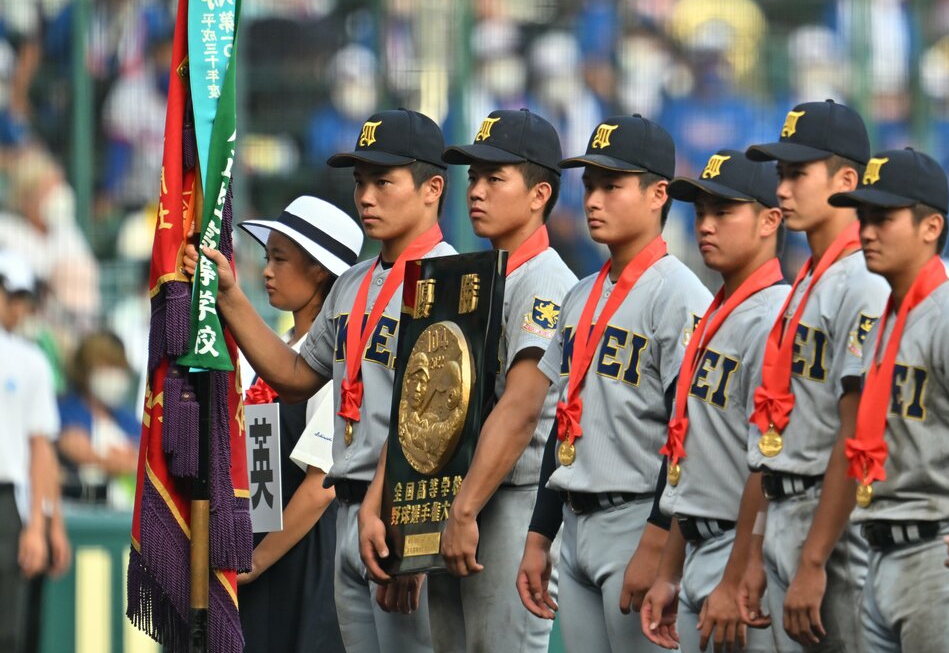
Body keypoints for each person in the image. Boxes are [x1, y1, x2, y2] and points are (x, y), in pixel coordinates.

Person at [197, 108, 453, 653]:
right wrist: (231, 298)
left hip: (402, 513)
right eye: (360, 181)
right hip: (347, 514)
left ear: (433, 188)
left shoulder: (450, 277)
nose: (366, 195)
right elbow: (294, 375)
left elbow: (433, 428)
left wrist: (412, 533)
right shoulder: (355, 282)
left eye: (384, 181)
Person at [515, 114, 712, 653]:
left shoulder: (679, 296)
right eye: (590, 186)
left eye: (613, 185)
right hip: (575, 523)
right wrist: (539, 535)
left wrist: (657, 538)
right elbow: (563, 423)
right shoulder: (579, 296)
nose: (594, 200)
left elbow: (689, 432)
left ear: (658, 194)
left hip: (636, 519)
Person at [419, 109, 576, 653]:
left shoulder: (547, 279)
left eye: (495, 177)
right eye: (473, 177)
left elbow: (521, 409)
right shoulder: (476, 277)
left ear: (539, 194)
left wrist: (462, 508)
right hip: (462, 497)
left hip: (513, 499)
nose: (476, 191)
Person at [828, 146, 949, 651]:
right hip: (876, 552)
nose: (868, 230)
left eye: (885, 217)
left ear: (930, 227)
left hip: (937, 553)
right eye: (863, 217)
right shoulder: (884, 321)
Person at [736, 99, 889, 651]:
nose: (782, 188)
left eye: (798, 174)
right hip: (783, 512)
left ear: (847, 179)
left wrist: (815, 558)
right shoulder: (809, 281)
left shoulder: (863, 283)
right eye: (780, 174)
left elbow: (854, 435)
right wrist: (755, 549)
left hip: (830, 524)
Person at [639, 149, 786, 652]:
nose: (706, 225)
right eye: (701, 212)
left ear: (770, 220)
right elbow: (695, 459)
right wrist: (670, 571)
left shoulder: (772, 319)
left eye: (724, 212)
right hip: (700, 546)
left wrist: (736, 576)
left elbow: (765, 467)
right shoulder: (719, 311)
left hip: (740, 552)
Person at [234, 196, 365, 653]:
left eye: (280, 259)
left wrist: (257, 559)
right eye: (267, 257)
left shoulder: (335, 358)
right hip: (262, 544)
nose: (267, 270)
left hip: (306, 553)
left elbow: (320, 486)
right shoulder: (279, 348)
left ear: (321, 273)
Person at [0, 262, 66, 653]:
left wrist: (44, 526)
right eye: (14, 297)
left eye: (25, 299)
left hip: (9, 503)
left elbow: (41, 449)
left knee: (9, 629)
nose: (20, 308)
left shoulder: (30, 361)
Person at [56, 332, 140, 508]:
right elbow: (78, 449)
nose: (115, 376)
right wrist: (119, 459)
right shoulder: (65, 410)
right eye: (107, 366)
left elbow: (145, 457)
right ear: (85, 370)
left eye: (119, 368)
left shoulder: (126, 419)